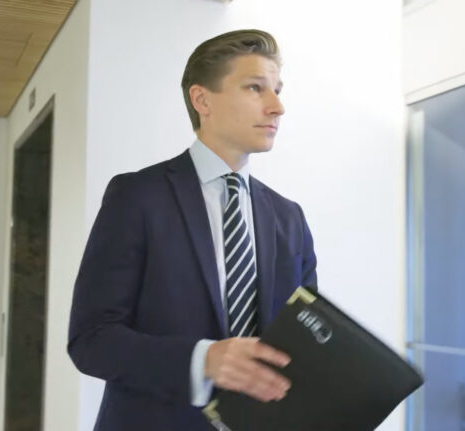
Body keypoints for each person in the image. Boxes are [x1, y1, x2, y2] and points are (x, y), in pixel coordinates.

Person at [68, 29, 318, 431]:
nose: (277, 107)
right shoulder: (137, 197)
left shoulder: (290, 219)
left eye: (277, 90)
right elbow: (92, 340)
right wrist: (203, 360)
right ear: (202, 100)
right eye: (255, 88)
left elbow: (304, 341)